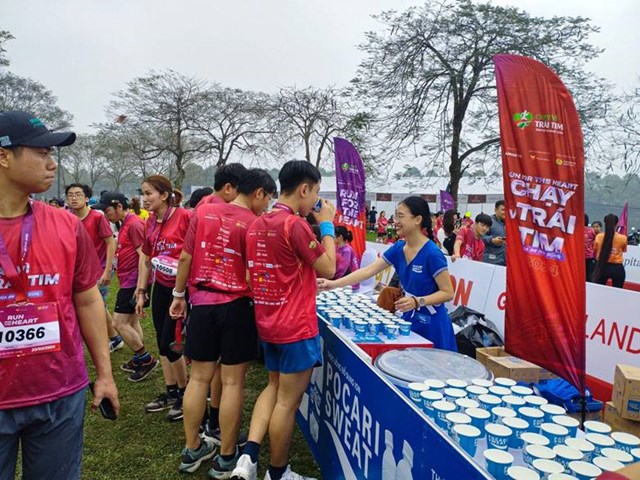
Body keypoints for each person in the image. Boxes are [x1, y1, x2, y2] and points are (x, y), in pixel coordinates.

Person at [0, 110, 119, 479]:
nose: (52, 164)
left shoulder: (67, 225)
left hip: (59, 393)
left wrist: (104, 373)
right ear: (4, 155)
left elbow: (86, 299)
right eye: (42, 153)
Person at [231, 160, 336, 480]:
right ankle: (277, 473)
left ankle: (248, 456)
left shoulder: (257, 222)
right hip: (295, 327)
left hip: (268, 321)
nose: (316, 202)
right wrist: (328, 224)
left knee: (273, 388)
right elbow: (329, 268)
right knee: (287, 404)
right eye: (315, 194)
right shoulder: (295, 225)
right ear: (304, 189)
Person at [170, 169, 277, 477]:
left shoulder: (202, 212)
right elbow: (251, 275)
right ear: (258, 193)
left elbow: (185, 259)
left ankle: (192, 449)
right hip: (237, 307)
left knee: (198, 379)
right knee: (232, 382)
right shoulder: (257, 224)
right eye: (268, 198)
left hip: (201, 304)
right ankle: (226, 456)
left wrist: (179, 294)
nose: (267, 205)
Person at [319, 196, 456, 351]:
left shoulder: (432, 253)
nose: (395, 220)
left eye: (401, 216)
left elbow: (448, 293)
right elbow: (368, 271)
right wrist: (333, 284)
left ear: (417, 219)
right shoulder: (399, 248)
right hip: (409, 320)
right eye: (396, 215)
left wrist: (418, 301)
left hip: (433, 326)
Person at [135, 175, 192, 421]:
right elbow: (147, 259)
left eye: (149, 193)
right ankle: (171, 391)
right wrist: (141, 291)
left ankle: (185, 394)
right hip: (160, 287)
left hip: (181, 289)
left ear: (165, 195)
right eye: (143, 193)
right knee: (160, 340)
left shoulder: (184, 217)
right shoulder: (149, 223)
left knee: (172, 343)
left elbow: (195, 253)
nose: (144, 199)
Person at [95, 192, 158, 382]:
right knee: (131, 322)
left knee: (118, 323)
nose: (105, 215)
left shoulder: (134, 224)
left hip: (133, 281)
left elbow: (144, 255)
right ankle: (139, 358)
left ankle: (146, 359)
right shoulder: (125, 223)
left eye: (107, 210)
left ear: (119, 207)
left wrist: (140, 288)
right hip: (128, 279)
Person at [65, 183, 122, 352]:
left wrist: (108, 270)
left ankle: (105, 342)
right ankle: (114, 338)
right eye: (70, 195)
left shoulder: (97, 218)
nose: (74, 198)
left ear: (87, 198)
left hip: (99, 269)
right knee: (96, 306)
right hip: (79, 271)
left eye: (78, 195)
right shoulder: (68, 218)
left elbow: (110, 242)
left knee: (96, 306)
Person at [593, 213, 628, 288]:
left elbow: (595, 249)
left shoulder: (598, 237)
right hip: (617, 267)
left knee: (598, 290)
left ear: (605, 224)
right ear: (617, 224)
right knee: (618, 292)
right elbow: (623, 249)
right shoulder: (623, 238)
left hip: (601, 266)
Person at [482, 200, 506, 266]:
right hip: (490, 262)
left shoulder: (511, 224)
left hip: (505, 263)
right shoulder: (488, 222)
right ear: (495, 210)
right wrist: (492, 240)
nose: (505, 212)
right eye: (503, 210)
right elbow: (480, 236)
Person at [584, 214, 597, 282]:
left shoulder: (576, 229)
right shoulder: (592, 231)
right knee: (588, 274)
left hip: (579, 256)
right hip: (589, 256)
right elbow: (595, 239)